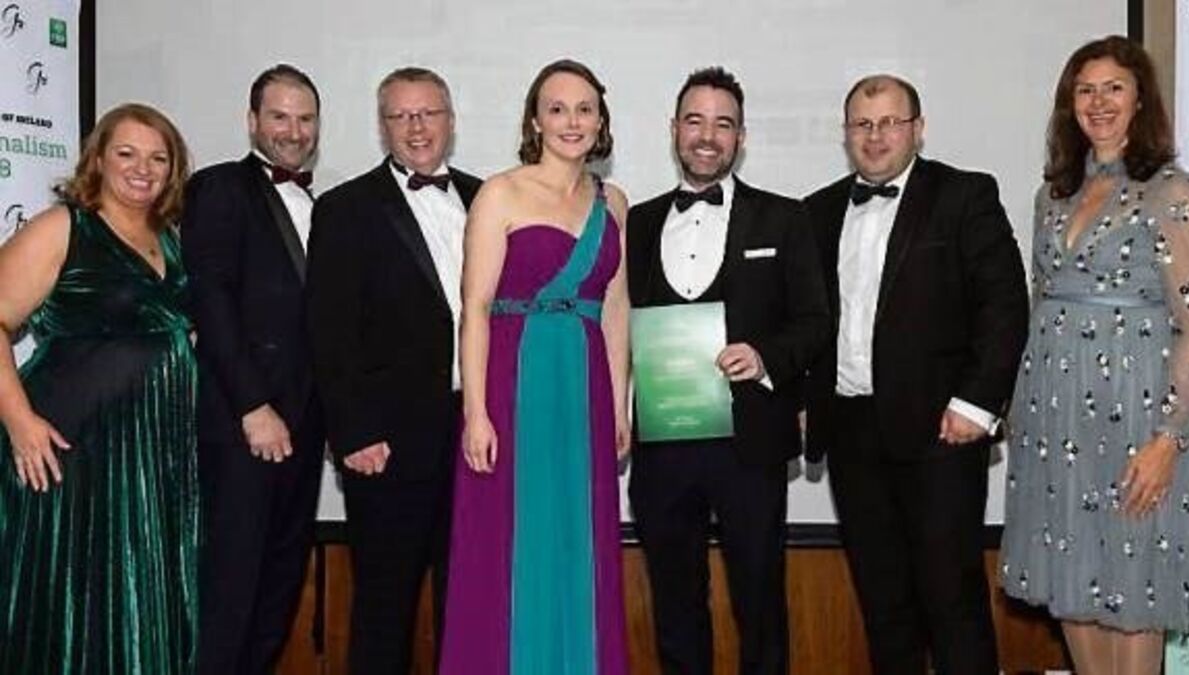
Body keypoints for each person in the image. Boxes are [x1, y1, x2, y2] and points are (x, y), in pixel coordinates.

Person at [804, 74, 1028, 674]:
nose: (875, 136)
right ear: (846, 133)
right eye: (862, 124)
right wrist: (802, 399)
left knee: (952, 600)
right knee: (884, 606)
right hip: (851, 432)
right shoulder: (817, 210)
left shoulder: (964, 195)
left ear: (918, 129)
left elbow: (1005, 305)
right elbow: (806, 321)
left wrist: (976, 405)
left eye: (890, 122)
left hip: (940, 431)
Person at [1000, 35, 1189, 675]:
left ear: (1141, 99)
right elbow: (1040, 303)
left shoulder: (1171, 192)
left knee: (1133, 585)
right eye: (1085, 90)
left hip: (1136, 416)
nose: (1099, 102)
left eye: (1114, 87)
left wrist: (1170, 438)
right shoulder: (1053, 194)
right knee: (1073, 580)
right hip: (1054, 418)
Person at [626, 66, 828, 675]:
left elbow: (815, 321)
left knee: (760, 599)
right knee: (675, 602)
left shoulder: (785, 218)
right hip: (662, 445)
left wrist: (765, 357)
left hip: (751, 443)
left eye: (723, 123)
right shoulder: (637, 223)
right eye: (695, 121)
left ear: (741, 136)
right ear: (674, 129)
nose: (707, 136)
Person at [440, 58, 631, 675]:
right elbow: (474, 308)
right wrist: (476, 412)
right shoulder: (500, 193)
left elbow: (615, 310)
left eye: (584, 109)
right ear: (534, 121)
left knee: (578, 536)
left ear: (600, 121)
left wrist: (621, 404)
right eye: (557, 109)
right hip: (514, 387)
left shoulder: (614, 202)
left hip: (585, 393)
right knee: (507, 538)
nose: (572, 121)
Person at [0, 103, 197, 673]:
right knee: (69, 602)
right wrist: (19, 422)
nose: (143, 169)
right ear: (99, 160)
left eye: (158, 158)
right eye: (127, 154)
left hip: (148, 460)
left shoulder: (168, 237)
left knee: (131, 604)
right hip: (68, 452)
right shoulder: (64, 227)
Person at [306, 67, 481, 675]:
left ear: (450, 121)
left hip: (477, 437)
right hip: (387, 444)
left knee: (472, 604)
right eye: (401, 116)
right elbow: (329, 330)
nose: (416, 128)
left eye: (428, 113)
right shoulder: (345, 208)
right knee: (384, 608)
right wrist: (353, 431)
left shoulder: (487, 198)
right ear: (382, 127)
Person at [180, 63, 326, 675]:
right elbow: (210, 300)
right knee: (231, 592)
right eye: (279, 117)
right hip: (245, 427)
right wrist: (252, 406)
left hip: (305, 427)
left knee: (276, 590)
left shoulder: (319, 204)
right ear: (252, 121)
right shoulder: (219, 188)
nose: (293, 131)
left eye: (305, 119)